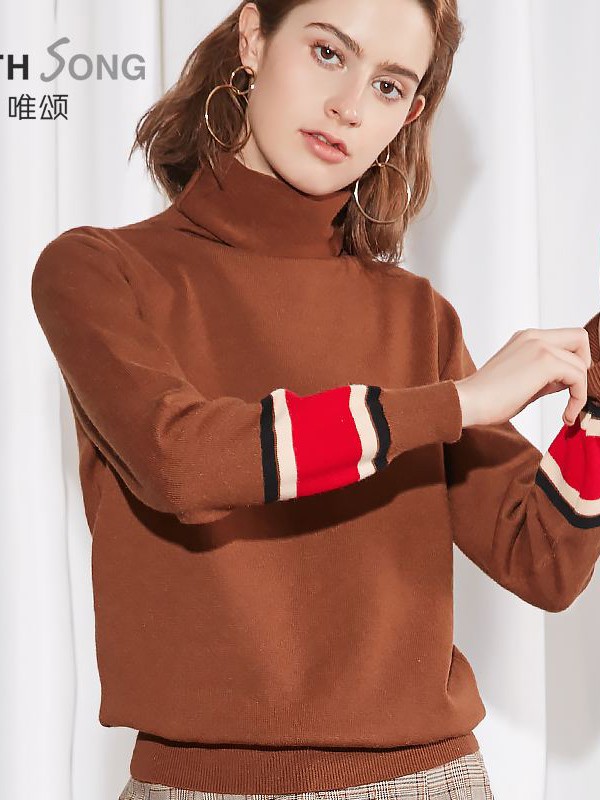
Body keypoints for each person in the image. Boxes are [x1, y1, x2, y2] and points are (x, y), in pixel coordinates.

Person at [30, 1, 600, 799]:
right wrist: (454, 403)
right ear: (253, 38)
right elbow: (181, 462)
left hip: (426, 782)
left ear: (409, 116)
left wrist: (596, 401)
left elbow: (541, 559)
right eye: (330, 53)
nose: (349, 106)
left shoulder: (415, 315)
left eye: (390, 86)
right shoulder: (100, 272)